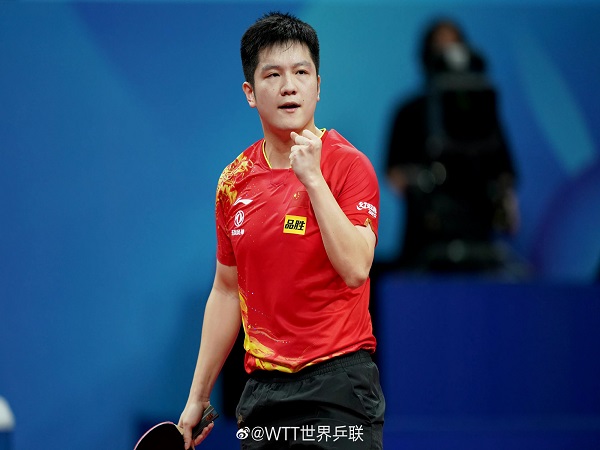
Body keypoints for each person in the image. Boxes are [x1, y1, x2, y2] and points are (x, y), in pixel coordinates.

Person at [178, 12, 385, 449]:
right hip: (264, 392)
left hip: (338, 387)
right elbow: (226, 290)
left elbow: (355, 268)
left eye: (301, 73)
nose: (289, 86)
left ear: (318, 86)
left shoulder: (349, 166)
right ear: (250, 93)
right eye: (273, 75)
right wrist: (198, 396)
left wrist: (313, 180)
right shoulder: (233, 182)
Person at [386, 18, 519, 272]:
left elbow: (504, 170)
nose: (447, 55)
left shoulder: (483, 113)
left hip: (478, 235)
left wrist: (507, 205)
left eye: (454, 46)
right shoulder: (409, 112)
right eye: (439, 48)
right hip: (423, 240)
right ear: (426, 56)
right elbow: (395, 175)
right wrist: (425, 182)